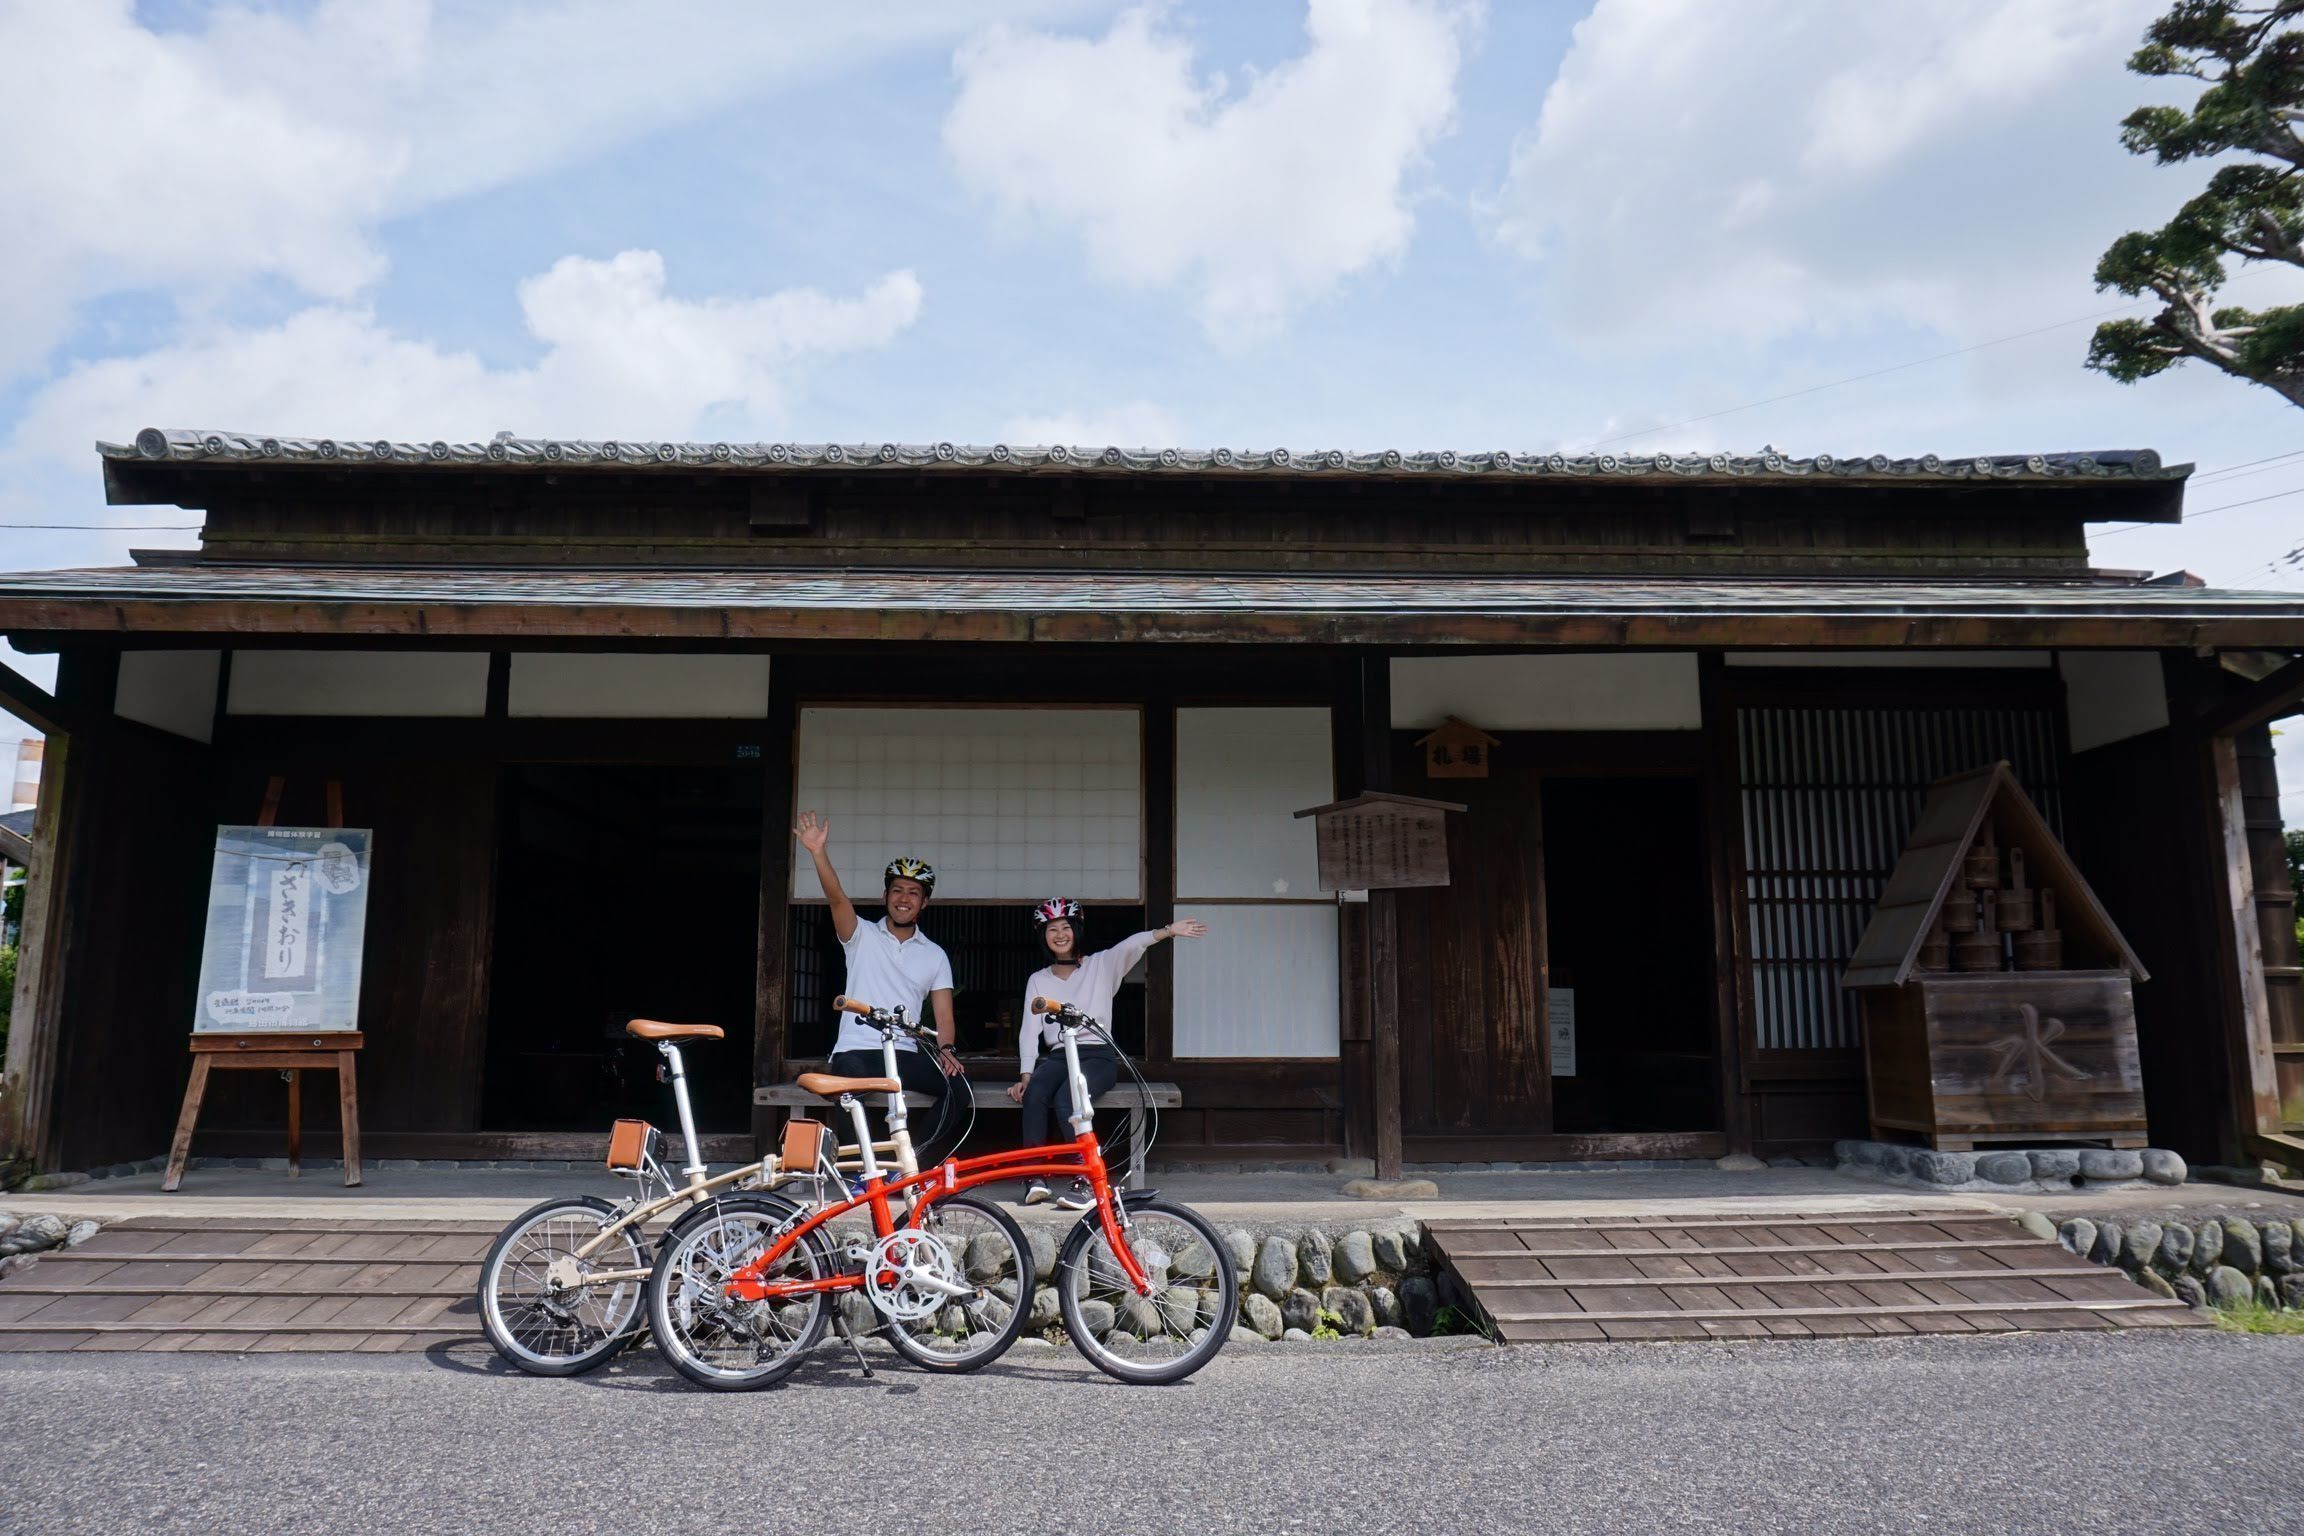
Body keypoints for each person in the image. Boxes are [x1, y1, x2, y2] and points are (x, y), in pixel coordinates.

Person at [1009, 898, 1207, 1208]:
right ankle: (1034, 1177)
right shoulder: (1039, 979)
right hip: (1060, 1055)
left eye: (1065, 927)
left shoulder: (1101, 965)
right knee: (1035, 1094)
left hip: (1097, 1055)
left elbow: (1132, 945)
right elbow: (1029, 1031)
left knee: (1069, 1098)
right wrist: (1025, 1075)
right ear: (1043, 936)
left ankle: (1085, 1177)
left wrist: (1168, 931)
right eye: (1051, 929)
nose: (1059, 935)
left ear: (1076, 931)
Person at [793, 812, 959, 1148]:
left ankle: (912, 1168)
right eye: (897, 889)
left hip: (903, 1052)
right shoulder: (861, 936)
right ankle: (860, 1171)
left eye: (913, 892)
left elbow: (944, 1017)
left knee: (958, 1091)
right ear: (885, 896)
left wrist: (947, 1049)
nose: (904, 898)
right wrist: (817, 853)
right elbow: (838, 898)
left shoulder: (934, 954)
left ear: (924, 902)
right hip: (857, 1049)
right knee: (846, 1084)